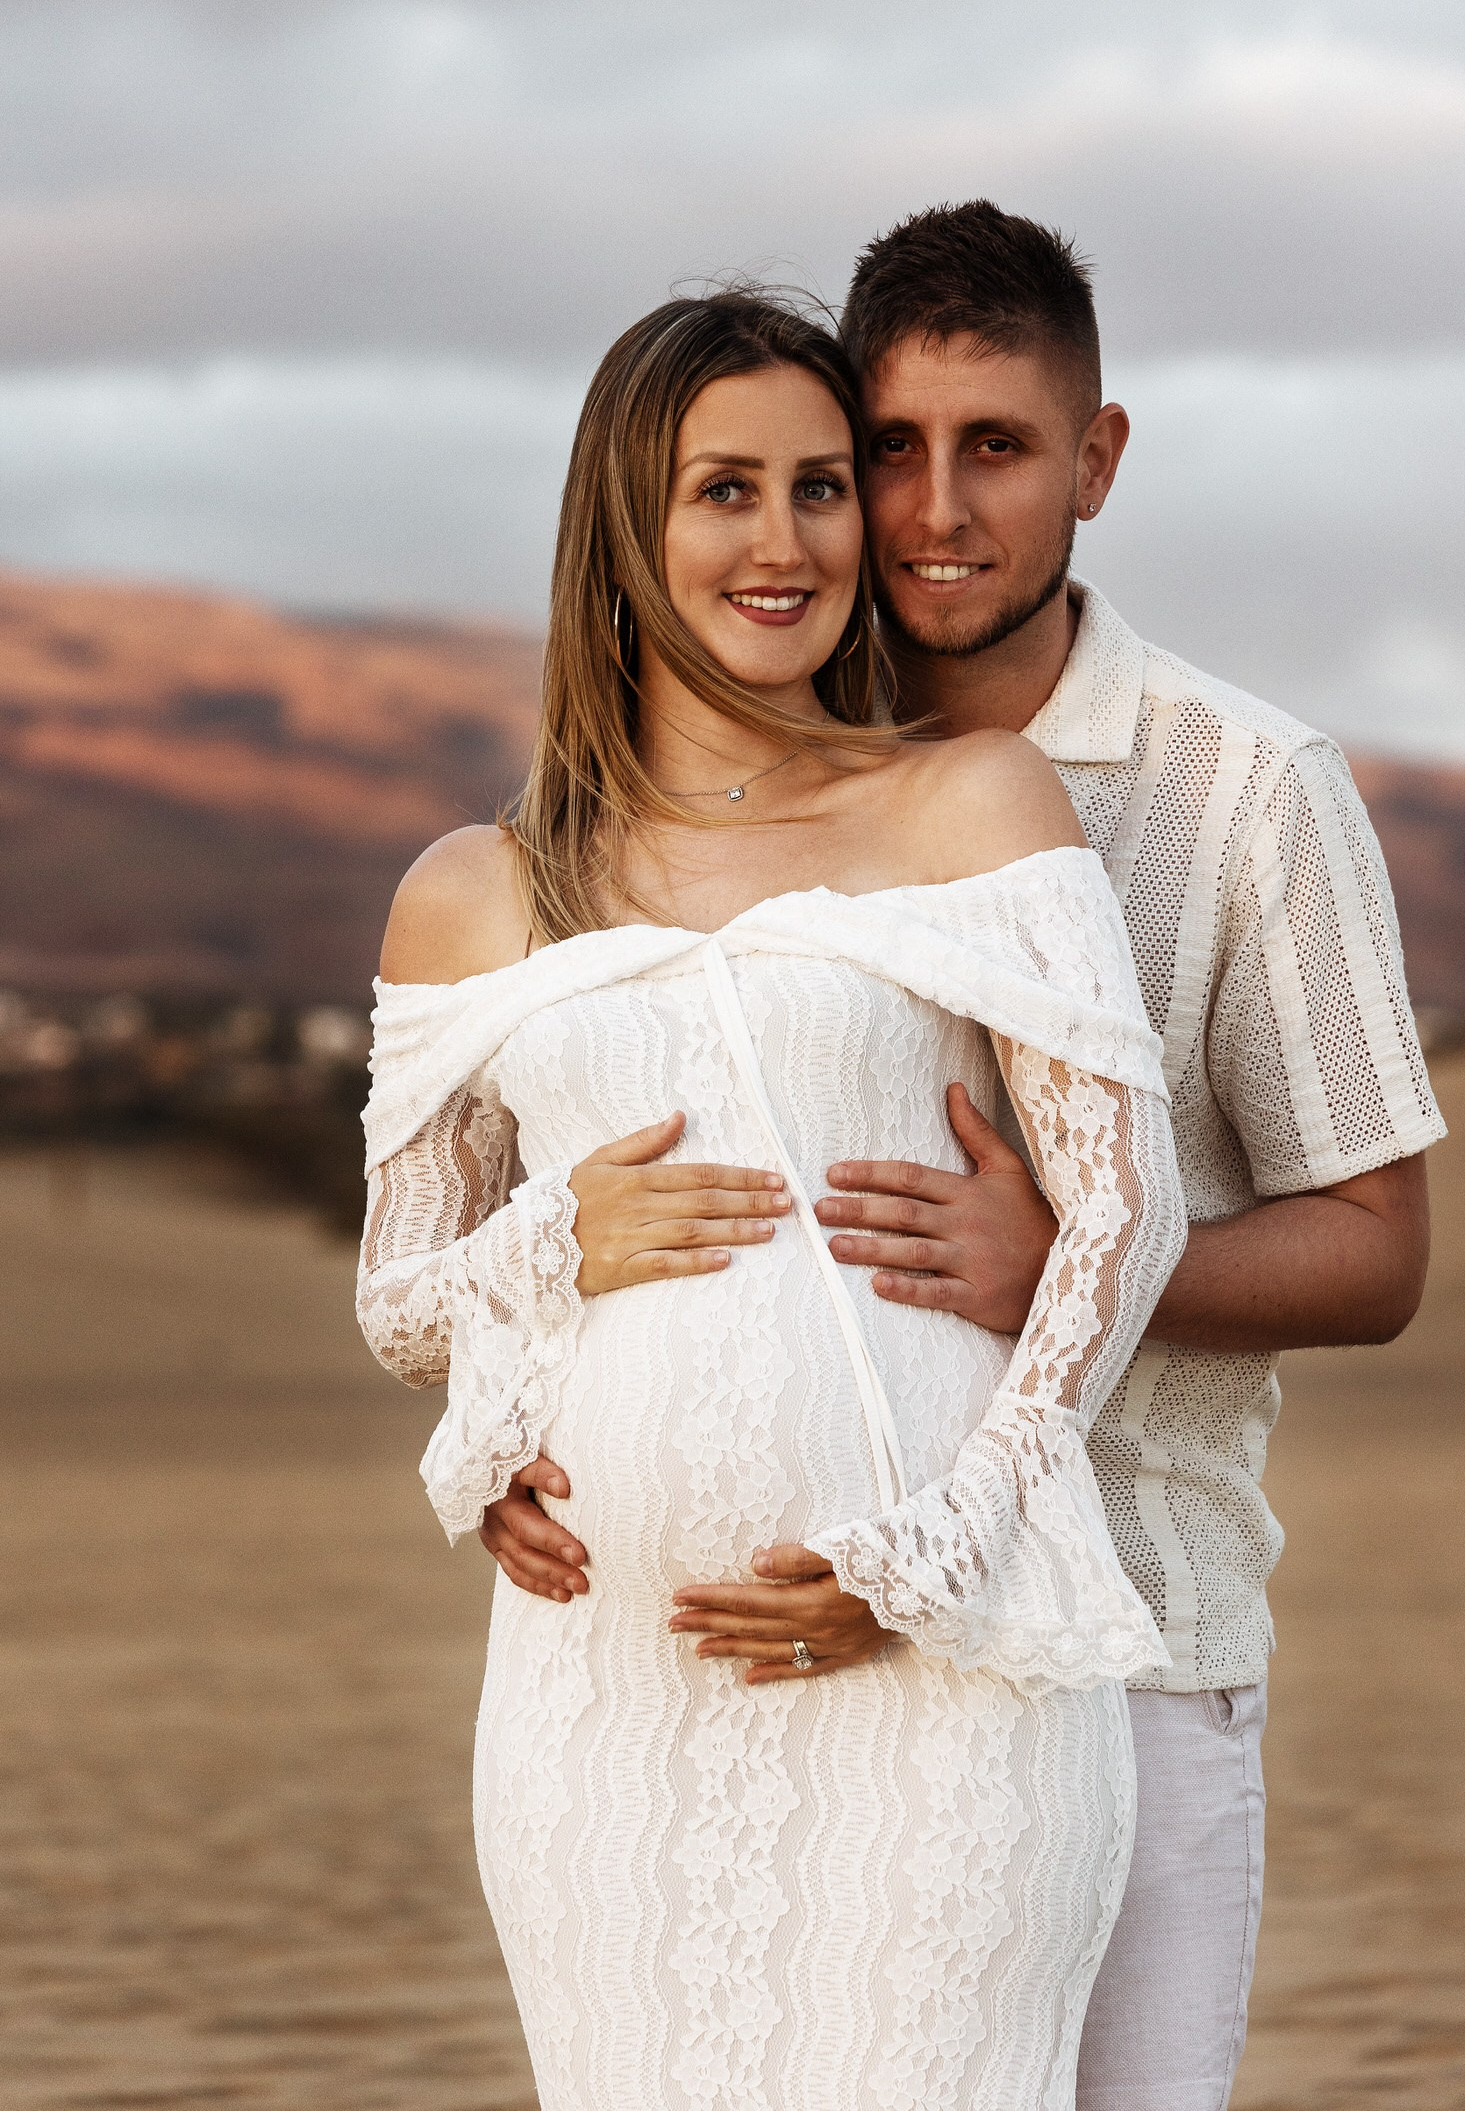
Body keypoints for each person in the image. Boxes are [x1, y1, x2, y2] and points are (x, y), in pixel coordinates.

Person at [485, 209, 1447, 2111]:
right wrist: (524, 1414)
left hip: (1126, 1642)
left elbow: (1378, 1246)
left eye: (996, 447)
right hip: (743, 1666)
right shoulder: (742, 770)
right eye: (889, 451)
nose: (931, 511)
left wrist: (1065, 1261)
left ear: (1095, 460)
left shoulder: (1244, 789)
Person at [358, 289, 1188, 2109]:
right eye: (723, 490)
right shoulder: (473, 891)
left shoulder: (972, 804)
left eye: (820, 488)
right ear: (624, 524)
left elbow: (1128, 1221)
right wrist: (549, 1250)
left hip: (944, 1672)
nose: (787, 540)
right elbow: (402, 1300)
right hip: (604, 1701)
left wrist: (927, 1561)